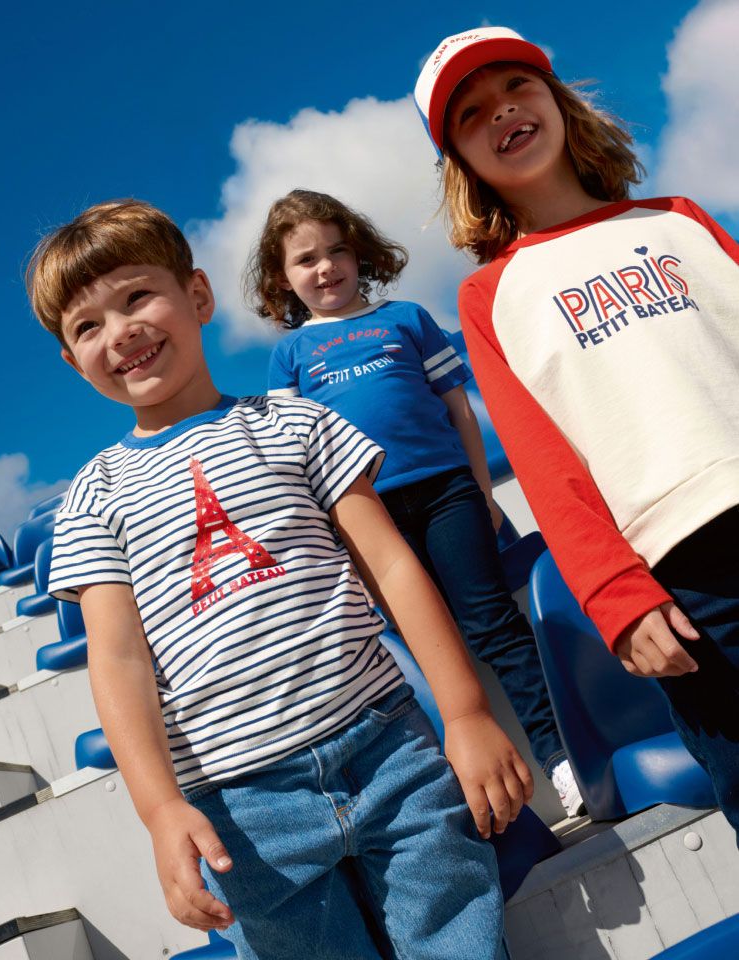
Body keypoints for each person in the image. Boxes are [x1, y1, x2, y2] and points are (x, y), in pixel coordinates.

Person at [26, 198, 534, 959]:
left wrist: (463, 714)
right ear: (73, 362)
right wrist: (160, 810)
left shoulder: (299, 422)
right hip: (241, 810)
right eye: (87, 327)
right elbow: (118, 659)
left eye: (136, 297)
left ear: (197, 296)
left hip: (388, 752)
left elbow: (391, 565)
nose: (120, 331)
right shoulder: (94, 495)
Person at [414, 26, 739, 839]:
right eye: (472, 114)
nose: (504, 113)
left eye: (517, 88)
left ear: (559, 102)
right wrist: (615, 594)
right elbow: (541, 457)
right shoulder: (492, 295)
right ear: (462, 163)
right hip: (689, 575)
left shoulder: (683, 218)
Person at [247, 188, 583, 816]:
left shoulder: (405, 319)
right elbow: (293, 452)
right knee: (414, 656)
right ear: (282, 278)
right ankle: (455, 798)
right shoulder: (289, 355)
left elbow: (458, 411)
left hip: (447, 494)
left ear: (359, 253)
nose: (325, 268)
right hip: (364, 517)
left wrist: (484, 495)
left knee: (494, 628)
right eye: (306, 260)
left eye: (337, 250)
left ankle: (563, 759)